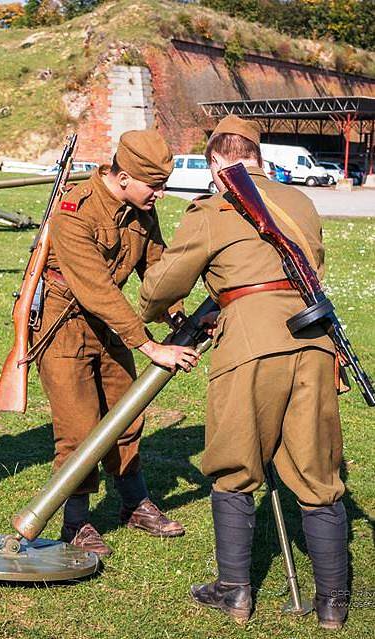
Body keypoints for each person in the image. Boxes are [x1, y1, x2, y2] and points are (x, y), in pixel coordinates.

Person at [139, 116, 347, 629]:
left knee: (234, 467)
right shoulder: (298, 202)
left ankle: (233, 591)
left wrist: (150, 305)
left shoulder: (213, 206)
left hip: (249, 345)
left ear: (215, 162)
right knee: (319, 475)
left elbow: (164, 283)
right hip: (315, 341)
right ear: (258, 154)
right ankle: (332, 604)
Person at [34, 130, 200, 557]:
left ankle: (134, 503)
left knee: (127, 415)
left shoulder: (141, 210)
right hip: (63, 325)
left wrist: (178, 314)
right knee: (77, 428)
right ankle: (76, 522)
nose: (161, 195)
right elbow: (95, 290)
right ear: (122, 176)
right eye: (155, 186)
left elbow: (158, 269)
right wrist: (150, 346)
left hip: (110, 326)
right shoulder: (74, 210)